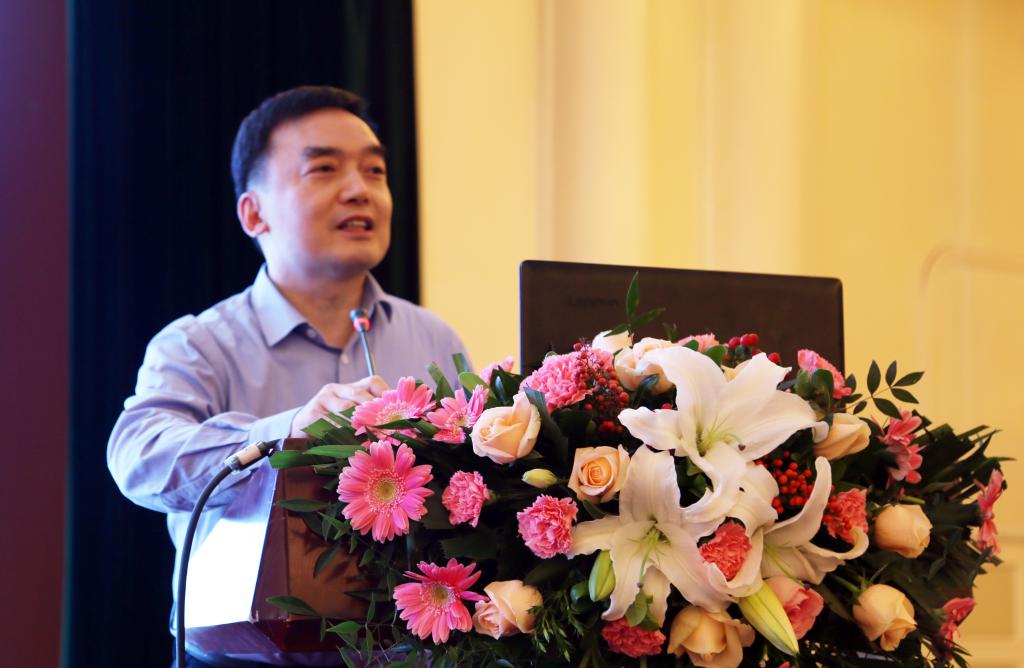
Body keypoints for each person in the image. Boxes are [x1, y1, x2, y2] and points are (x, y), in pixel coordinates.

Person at [107, 86, 469, 666]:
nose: (359, 189)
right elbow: (139, 457)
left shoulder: (434, 340)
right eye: (324, 169)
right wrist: (287, 434)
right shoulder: (198, 344)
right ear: (254, 213)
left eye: (374, 171)